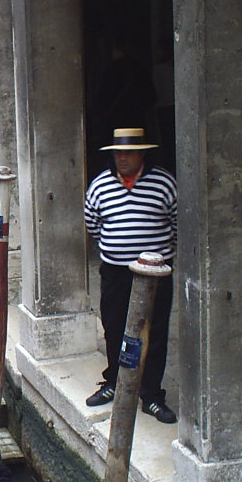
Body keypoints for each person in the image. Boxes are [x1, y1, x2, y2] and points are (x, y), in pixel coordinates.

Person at [84, 127, 178, 424]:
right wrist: (118, 249)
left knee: (155, 332)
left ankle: (150, 394)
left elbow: (177, 223)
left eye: (129, 153)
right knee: (114, 326)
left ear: (141, 154)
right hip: (115, 273)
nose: (122, 159)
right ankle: (114, 381)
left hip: (155, 275)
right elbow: (93, 225)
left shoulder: (164, 183)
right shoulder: (100, 186)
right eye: (118, 153)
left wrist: (159, 251)